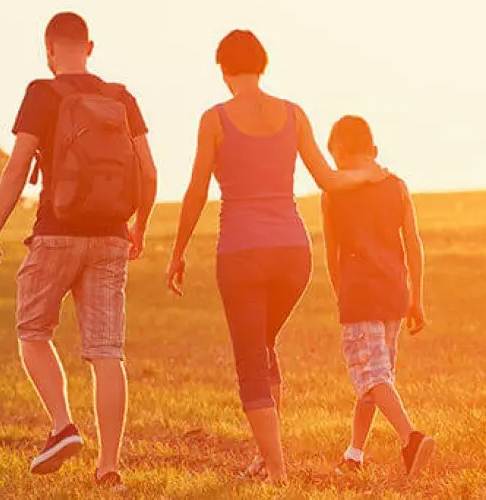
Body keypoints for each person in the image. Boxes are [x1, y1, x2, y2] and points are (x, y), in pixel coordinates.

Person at [166, 30, 387, 484]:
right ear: (262, 64)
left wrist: (178, 251)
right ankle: (265, 456)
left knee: (250, 359)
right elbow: (327, 178)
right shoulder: (293, 114)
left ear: (224, 70)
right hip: (293, 255)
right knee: (263, 347)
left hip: (242, 255)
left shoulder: (215, 119)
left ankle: (278, 473)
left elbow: (196, 191)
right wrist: (367, 175)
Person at [0, 12, 157, 490]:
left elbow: (17, 170)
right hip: (112, 236)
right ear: (90, 47)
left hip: (55, 232)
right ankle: (110, 468)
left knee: (32, 332)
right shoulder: (120, 97)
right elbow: (149, 170)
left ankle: (62, 426)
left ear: (49, 49)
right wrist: (138, 226)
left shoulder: (42, 93)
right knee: (106, 353)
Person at [322, 115, 434, 477]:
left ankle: (410, 439)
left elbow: (331, 254)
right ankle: (354, 454)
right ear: (372, 149)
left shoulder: (334, 191)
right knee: (376, 377)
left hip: (361, 296)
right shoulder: (398, 186)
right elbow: (413, 244)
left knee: (371, 376)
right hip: (394, 294)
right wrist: (416, 298)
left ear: (338, 150)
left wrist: (343, 294)